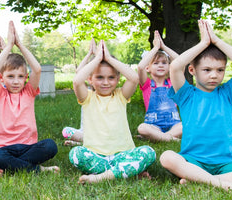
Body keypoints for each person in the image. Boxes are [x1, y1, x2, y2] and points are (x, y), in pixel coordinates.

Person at [159, 20, 232, 198]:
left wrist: (217, 41)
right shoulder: (186, 95)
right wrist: (203, 44)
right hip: (192, 161)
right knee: (167, 157)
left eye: (220, 70)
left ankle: (199, 180)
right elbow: (175, 66)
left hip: (225, 163)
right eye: (206, 69)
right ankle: (228, 184)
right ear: (192, 70)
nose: (214, 75)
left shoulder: (228, 94)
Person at [68, 40, 156, 183]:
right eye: (100, 77)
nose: (106, 82)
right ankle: (125, 171)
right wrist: (97, 59)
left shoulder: (121, 96)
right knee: (76, 154)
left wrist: (108, 58)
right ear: (90, 79)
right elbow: (77, 81)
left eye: (111, 78)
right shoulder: (87, 97)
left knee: (148, 152)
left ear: (118, 79)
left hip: (123, 154)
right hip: (97, 156)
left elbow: (134, 78)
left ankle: (100, 177)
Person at [0, 21, 58, 176]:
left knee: (50, 146)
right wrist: (8, 47)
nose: (15, 81)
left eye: (20, 77)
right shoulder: (0, 94)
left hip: (28, 146)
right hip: (4, 147)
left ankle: (10, 167)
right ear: (2, 78)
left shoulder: (28, 92)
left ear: (26, 77)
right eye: (10, 76)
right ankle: (37, 169)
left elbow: (37, 69)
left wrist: (19, 44)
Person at [136, 30, 182, 142]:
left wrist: (163, 47)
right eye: (156, 63)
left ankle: (159, 137)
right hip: (153, 124)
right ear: (148, 68)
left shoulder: (173, 83)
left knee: (188, 124)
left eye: (164, 63)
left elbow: (180, 61)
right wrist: (156, 48)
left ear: (169, 66)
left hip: (174, 124)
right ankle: (171, 138)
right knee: (142, 128)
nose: (160, 65)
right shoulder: (146, 84)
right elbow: (140, 67)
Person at [61, 39, 96, 147]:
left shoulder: (110, 96)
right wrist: (90, 53)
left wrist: (100, 55)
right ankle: (85, 142)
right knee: (66, 131)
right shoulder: (87, 93)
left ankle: (82, 143)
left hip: (103, 135)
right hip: (85, 134)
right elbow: (78, 73)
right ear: (89, 78)